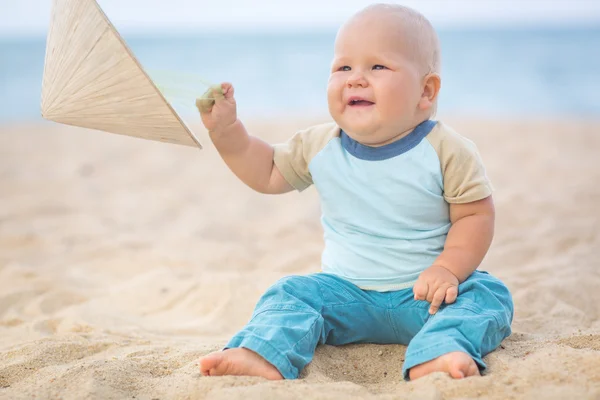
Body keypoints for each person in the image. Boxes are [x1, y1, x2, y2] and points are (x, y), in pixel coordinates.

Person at [196, 3, 513, 381]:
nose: (355, 79)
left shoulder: (448, 150)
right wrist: (227, 132)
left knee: (487, 295)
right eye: (343, 67)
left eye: (377, 67)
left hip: (427, 296)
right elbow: (265, 171)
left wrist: (447, 268)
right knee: (290, 293)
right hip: (344, 295)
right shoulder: (320, 144)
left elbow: (474, 215)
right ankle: (262, 352)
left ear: (425, 90)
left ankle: (439, 349)